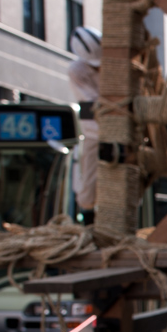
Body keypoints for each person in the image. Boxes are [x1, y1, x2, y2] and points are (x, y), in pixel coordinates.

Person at [67, 27, 101, 225]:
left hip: (128, 125)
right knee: (88, 180)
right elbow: (92, 104)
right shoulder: (76, 71)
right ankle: (88, 221)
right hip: (94, 132)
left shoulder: (114, 54)